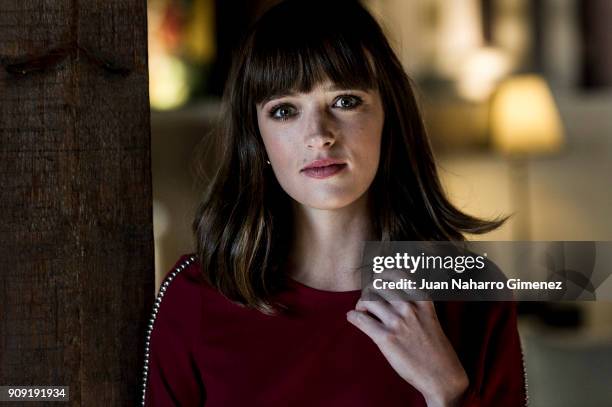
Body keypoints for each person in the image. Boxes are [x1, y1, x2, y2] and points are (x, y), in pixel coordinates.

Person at [142, 0, 527, 406]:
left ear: (389, 116)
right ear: (257, 139)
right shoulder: (193, 298)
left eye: (345, 101)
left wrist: (447, 391)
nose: (319, 134)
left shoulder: (472, 294)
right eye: (285, 110)